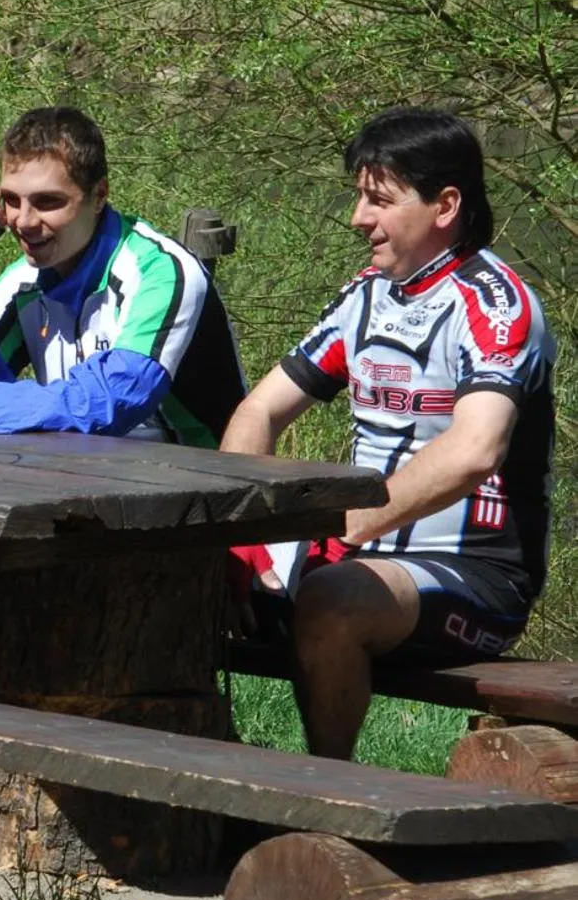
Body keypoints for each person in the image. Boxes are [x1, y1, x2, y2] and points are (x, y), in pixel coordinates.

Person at [221, 108, 556, 759]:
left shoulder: (495, 304)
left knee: (329, 597)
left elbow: (473, 450)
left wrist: (344, 527)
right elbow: (257, 412)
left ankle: (327, 800)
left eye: (378, 199)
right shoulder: (364, 296)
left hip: (474, 576)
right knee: (181, 572)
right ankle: (194, 804)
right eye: (357, 196)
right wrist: (241, 539)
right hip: (361, 552)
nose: (356, 217)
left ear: (444, 205)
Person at [0, 106, 246, 444]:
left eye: (48, 202)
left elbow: (105, 405)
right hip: (87, 479)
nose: (23, 221)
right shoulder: (23, 282)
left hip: (202, 493)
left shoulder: (161, 272)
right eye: (12, 200)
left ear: (99, 195)